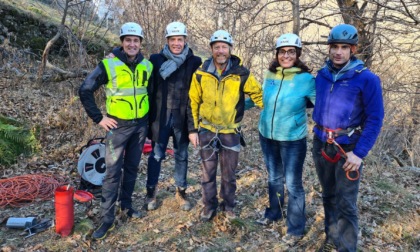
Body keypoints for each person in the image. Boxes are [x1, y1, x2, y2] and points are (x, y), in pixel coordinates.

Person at [312, 24, 384, 251]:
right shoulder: (322, 75)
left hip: (348, 147)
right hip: (322, 142)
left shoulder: (366, 79)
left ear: (353, 50)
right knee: (328, 194)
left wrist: (359, 153)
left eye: (344, 47)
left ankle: (347, 247)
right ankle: (331, 237)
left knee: (346, 202)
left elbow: (374, 118)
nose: (338, 52)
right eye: (334, 46)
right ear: (329, 48)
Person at [79, 22, 153, 240]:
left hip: (140, 126)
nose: (132, 44)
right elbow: (85, 89)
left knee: (131, 168)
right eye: (128, 40)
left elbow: (149, 94)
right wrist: (99, 118)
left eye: (136, 41)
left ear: (140, 44)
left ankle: (127, 207)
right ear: (122, 42)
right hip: (117, 127)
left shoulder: (147, 66)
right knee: (112, 173)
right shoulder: (108, 64)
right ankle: (107, 220)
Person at [187, 30, 263, 221]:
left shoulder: (241, 73)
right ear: (211, 49)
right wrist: (193, 129)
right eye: (217, 47)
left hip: (230, 131)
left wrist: (263, 107)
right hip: (207, 130)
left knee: (229, 174)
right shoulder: (201, 73)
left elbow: (258, 95)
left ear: (230, 49)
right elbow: (193, 102)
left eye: (224, 47)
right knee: (207, 173)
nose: (220, 51)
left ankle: (228, 205)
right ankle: (208, 206)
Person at [257, 33, 315, 246]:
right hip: (267, 135)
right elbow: (260, 99)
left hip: (292, 139)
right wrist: (236, 107)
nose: (286, 55)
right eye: (283, 52)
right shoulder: (269, 75)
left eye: (291, 52)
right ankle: (274, 213)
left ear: (297, 54)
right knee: (273, 178)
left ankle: (295, 228)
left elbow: (320, 104)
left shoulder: (306, 79)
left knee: (293, 184)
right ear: (277, 54)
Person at [145, 21, 202, 211]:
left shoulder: (194, 62)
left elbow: (196, 95)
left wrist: (193, 127)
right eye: (173, 39)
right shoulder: (156, 60)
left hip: (182, 117)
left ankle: (181, 192)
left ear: (185, 40)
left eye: (180, 39)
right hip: (160, 118)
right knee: (156, 155)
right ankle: (151, 192)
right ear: (167, 40)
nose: (176, 43)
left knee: (182, 155)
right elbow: (147, 88)